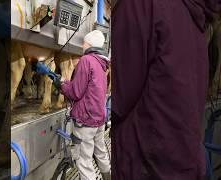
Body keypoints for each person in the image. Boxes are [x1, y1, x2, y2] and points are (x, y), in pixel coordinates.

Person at [112, 0, 221, 179]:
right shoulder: (195, 17)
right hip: (182, 163)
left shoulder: (142, 5)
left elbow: (118, 101)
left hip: (143, 166)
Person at [54, 30, 111, 180]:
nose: (82, 45)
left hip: (86, 120)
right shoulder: (102, 64)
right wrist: (66, 83)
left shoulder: (86, 60)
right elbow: (88, 89)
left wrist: (61, 86)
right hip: (99, 119)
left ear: (90, 44)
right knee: (101, 152)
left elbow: (75, 93)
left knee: (83, 161)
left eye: (84, 43)